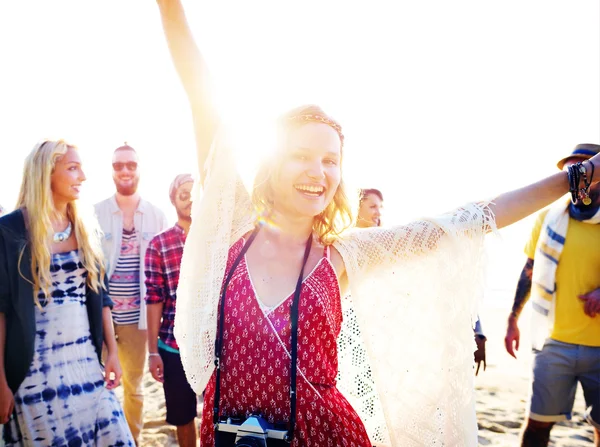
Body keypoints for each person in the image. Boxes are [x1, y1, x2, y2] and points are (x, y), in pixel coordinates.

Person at [155, 1, 600, 445]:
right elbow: (201, 94)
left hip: (321, 435)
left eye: (331, 160)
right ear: (270, 163)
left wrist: (573, 177)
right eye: (301, 156)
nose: (319, 172)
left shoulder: (342, 253)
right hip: (230, 430)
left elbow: (473, 219)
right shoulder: (233, 229)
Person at [0, 140, 134, 446]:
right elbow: (2, 310)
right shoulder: (10, 230)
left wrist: (111, 352)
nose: (83, 176)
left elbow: (102, 296)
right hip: (36, 375)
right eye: (72, 168)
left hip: (86, 363)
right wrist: (1, 383)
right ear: (45, 173)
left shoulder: (84, 226)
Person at [504, 143, 600, 447]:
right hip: (552, 342)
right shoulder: (549, 217)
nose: (575, 178)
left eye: (582, 169)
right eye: (570, 172)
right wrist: (512, 318)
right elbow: (530, 269)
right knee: (536, 428)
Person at [94, 144, 168, 444]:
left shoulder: (156, 215)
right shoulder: (94, 212)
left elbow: (162, 274)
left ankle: (131, 441)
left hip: (138, 322)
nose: (125, 170)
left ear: (139, 169)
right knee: (98, 385)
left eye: (130, 165)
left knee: (135, 389)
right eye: (118, 165)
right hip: (100, 317)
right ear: (112, 170)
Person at [145, 173, 198, 447]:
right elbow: (154, 298)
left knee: (220, 414)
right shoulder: (159, 245)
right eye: (183, 194)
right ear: (173, 200)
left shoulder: (221, 241)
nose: (190, 199)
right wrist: (153, 351)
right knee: (183, 416)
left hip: (217, 347)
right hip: (173, 346)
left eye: (195, 192)